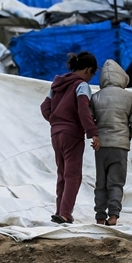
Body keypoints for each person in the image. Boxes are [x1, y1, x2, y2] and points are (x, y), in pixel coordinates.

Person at [41, 52, 100, 224]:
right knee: (73, 175)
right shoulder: (81, 86)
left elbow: (45, 107)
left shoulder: (56, 84)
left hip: (56, 133)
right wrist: (93, 132)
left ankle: (59, 210)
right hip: (72, 134)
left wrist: (55, 120)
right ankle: (66, 214)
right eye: (92, 74)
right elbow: (83, 110)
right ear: (89, 70)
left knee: (62, 174)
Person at [89, 59, 132, 226]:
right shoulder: (129, 97)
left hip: (100, 146)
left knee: (101, 183)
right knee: (116, 183)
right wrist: (129, 134)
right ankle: (113, 216)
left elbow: (88, 118)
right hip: (120, 146)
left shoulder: (95, 97)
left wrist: (95, 133)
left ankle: (100, 217)